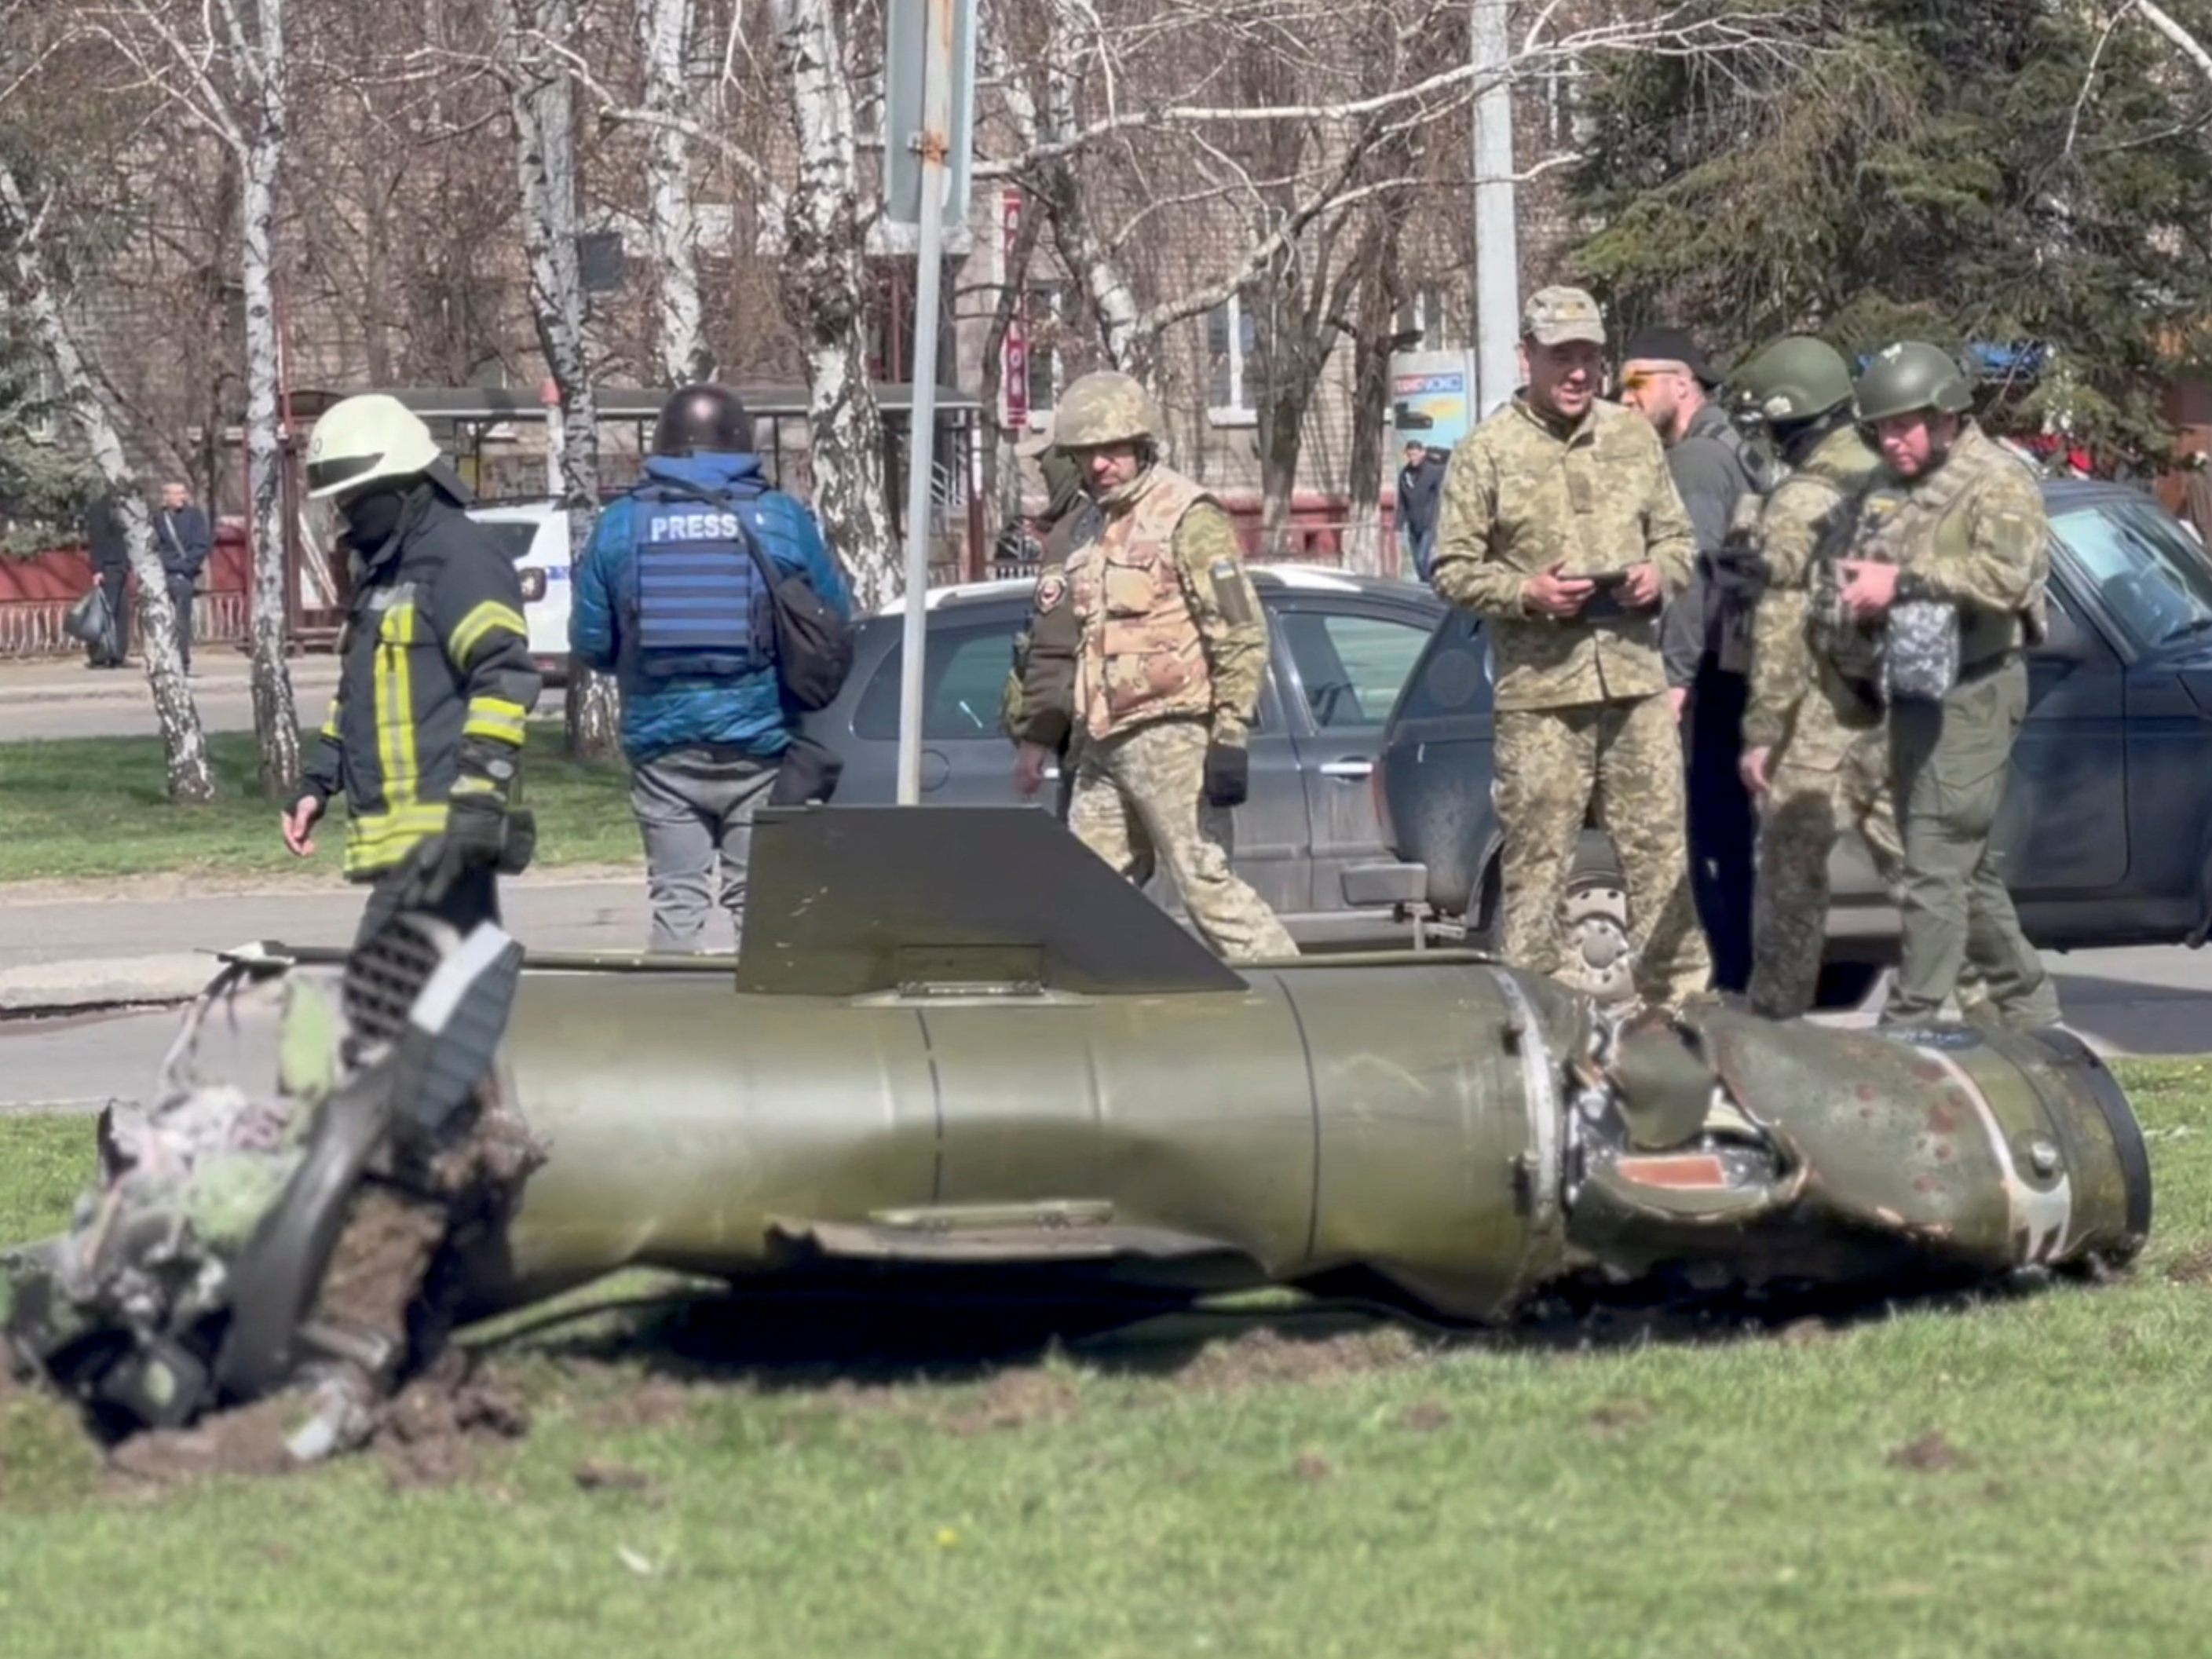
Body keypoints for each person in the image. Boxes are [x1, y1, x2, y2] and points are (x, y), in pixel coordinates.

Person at [1428, 285, 1710, 1009]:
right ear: (1528, 357)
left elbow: (1678, 538)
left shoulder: (1633, 436)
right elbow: (1451, 568)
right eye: (1562, 357)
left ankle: (1681, 1017)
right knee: (1537, 867)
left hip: (1633, 685)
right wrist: (1526, 593)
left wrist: (1660, 574)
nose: (1579, 371)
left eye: (1589, 356)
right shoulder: (1486, 452)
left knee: (1660, 857)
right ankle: (1540, 1023)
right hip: (1541, 697)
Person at [569, 382, 852, 954]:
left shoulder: (621, 523)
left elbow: (591, 643)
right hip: (762, 744)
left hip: (662, 749)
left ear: (663, 444)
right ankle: (766, 1031)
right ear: (741, 440)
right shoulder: (780, 517)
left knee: (676, 902)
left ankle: (673, 1030)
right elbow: (833, 619)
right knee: (760, 908)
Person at [1834, 342, 2061, 1030]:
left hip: (1978, 689)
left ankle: (1906, 1028)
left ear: (1946, 416)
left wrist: (1898, 582)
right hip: (1909, 688)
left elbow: (2005, 580)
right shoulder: (1887, 486)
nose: (1889, 440)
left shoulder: (1997, 481)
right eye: (1879, 427)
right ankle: (2030, 1011)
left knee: (1934, 865)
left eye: (1903, 424)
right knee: (1961, 865)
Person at [1051, 369, 1297, 962]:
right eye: (1087, 454)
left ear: (1140, 444)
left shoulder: (1187, 515)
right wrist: (1075, 748)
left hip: (1174, 733)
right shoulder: (1088, 529)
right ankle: (1115, 1024)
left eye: (1111, 450)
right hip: (1104, 743)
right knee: (1085, 896)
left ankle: (1299, 1001)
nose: (1100, 466)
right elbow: (1089, 642)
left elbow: (1239, 627)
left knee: (1203, 884)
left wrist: (1230, 734)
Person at [283, 394, 542, 945]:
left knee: (409, 1005)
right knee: (433, 1008)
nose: (348, 511)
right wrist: (316, 784)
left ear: (402, 482)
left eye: (356, 496)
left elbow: (504, 677)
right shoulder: (383, 568)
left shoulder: (459, 558)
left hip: (446, 833)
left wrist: (480, 790)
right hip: (397, 841)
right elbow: (357, 693)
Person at [1731, 336, 1895, 1018]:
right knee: (1926, 868)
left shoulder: (1798, 500)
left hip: (1824, 709)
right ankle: (1997, 1011)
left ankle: (1775, 1020)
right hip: (1900, 699)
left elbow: (1777, 621)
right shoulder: (1891, 474)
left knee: (1791, 872)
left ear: (1785, 421)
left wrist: (1764, 728)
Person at [1620, 325, 1761, 994]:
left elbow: (1691, 576)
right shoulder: (1725, 447)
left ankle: (1729, 986)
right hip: (1731, 668)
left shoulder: (1697, 461)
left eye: (1636, 382)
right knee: (1725, 841)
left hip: (1713, 677)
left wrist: (1675, 677)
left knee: (1711, 843)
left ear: (1682, 383)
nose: (1625, 398)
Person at [1000, 441, 1092, 817]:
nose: (1044, 477)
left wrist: (1036, 738)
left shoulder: (1073, 533)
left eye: (1047, 467)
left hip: (1086, 736)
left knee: (1091, 863)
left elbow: (1055, 648)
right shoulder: (1114, 520)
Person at [154, 481, 212, 674]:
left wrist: (185, 568)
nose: (182, 497)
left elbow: (201, 545)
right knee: (159, 620)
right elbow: (154, 548)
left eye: (183, 493)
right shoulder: (157, 518)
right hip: (160, 575)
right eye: (177, 494)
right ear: (166, 497)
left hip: (183, 575)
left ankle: (182, 662)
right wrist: (164, 567)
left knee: (181, 621)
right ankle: (161, 661)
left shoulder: (194, 516)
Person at [82, 488, 130, 668]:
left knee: (120, 613)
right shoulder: (100, 508)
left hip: (121, 566)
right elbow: (98, 539)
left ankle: (117, 653)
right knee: (104, 612)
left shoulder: (124, 509)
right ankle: (101, 655)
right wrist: (98, 569)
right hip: (108, 566)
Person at [1396, 440, 1446, 580]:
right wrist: (1398, 525)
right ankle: (1426, 584)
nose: (1413, 458)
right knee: (1417, 562)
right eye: (1410, 455)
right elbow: (1402, 501)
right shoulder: (1405, 475)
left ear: (1422, 453)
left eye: (1416, 454)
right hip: (1413, 525)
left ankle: (1430, 584)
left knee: (1422, 558)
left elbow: (1441, 496)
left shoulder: (1433, 472)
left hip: (1429, 524)